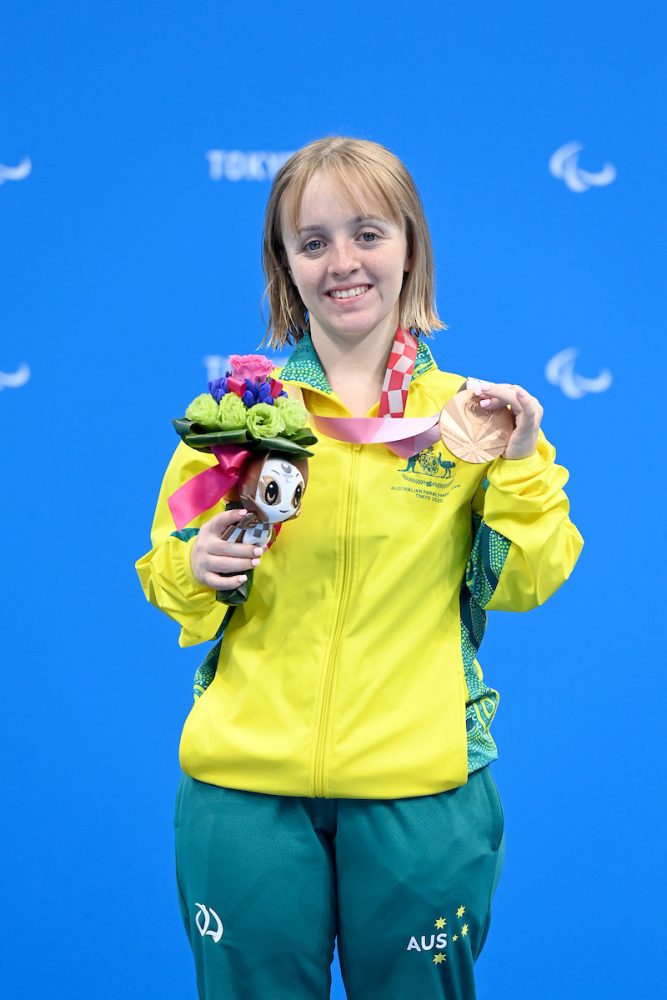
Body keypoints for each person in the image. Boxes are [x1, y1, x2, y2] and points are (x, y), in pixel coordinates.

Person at [136, 136, 584, 1000]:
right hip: (244, 793)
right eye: (313, 242)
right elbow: (170, 582)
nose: (343, 262)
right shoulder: (238, 414)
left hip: (419, 796)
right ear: (286, 266)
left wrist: (523, 461)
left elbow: (530, 579)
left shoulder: (472, 420)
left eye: (368, 233)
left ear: (409, 245)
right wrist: (199, 564)